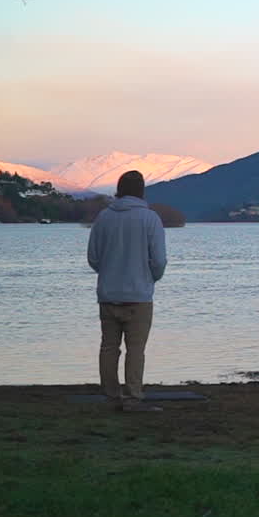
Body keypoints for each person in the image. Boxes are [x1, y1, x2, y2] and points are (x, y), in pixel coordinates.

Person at [87, 170, 167, 411]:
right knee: (136, 350)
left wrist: (109, 273)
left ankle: (111, 396)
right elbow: (159, 261)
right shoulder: (150, 219)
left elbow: (93, 258)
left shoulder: (103, 217)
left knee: (109, 347)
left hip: (108, 294)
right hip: (139, 296)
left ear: (119, 190)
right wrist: (150, 278)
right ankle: (133, 397)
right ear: (142, 191)